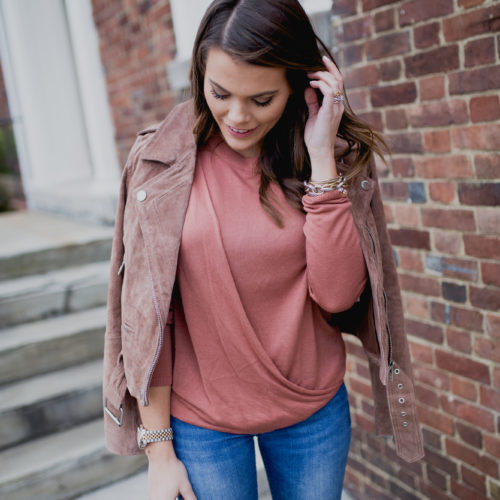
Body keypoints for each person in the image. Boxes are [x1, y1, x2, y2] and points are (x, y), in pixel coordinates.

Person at [102, 1, 424, 499]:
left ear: (298, 83)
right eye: (220, 93)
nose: (237, 116)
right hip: (202, 422)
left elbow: (338, 297)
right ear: (200, 75)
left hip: (311, 413)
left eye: (261, 99)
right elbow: (149, 316)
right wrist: (159, 451)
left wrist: (321, 161)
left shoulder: (329, 159)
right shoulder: (157, 165)